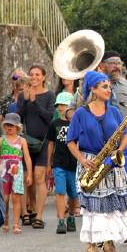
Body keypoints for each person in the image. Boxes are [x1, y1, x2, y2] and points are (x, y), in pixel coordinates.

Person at [66, 71, 127, 252]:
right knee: (93, 206)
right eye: (104, 86)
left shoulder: (115, 111)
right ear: (92, 89)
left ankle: (109, 242)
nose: (109, 90)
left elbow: (126, 134)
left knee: (112, 204)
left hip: (111, 162)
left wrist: (120, 149)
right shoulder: (80, 114)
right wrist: (83, 161)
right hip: (91, 162)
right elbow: (70, 141)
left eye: (109, 86)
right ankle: (91, 246)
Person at [18, 65, 55, 229]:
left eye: (37, 74)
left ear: (44, 77)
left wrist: (35, 101)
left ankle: (39, 215)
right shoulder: (22, 95)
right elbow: (18, 118)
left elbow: (49, 118)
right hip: (26, 141)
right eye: (31, 74)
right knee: (27, 178)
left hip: (43, 141)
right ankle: (27, 212)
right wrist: (26, 100)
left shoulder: (49, 95)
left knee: (39, 177)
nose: (34, 77)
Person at [44, 92, 80, 234]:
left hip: (74, 163)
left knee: (73, 194)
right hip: (59, 163)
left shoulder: (76, 123)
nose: (61, 108)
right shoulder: (55, 124)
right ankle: (60, 220)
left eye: (64, 105)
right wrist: (49, 163)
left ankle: (70, 216)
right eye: (58, 105)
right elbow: (51, 144)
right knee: (60, 191)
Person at [0, 113, 32, 234]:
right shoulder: (1, 140)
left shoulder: (22, 141)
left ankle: (16, 224)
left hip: (18, 172)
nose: (9, 128)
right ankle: (5, 221)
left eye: (12, 125)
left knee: (16, 197)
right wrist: (1, 161)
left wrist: (29, 174)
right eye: (7, 125)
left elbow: (27, 158)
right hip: (4, 172)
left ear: (18, 127)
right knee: (4, 198)